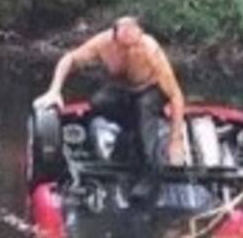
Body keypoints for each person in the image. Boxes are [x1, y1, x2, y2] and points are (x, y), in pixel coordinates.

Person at [33, 16, 187, 167]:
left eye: (135, 45)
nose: (131, 50)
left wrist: (176, 140)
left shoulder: (150, 49)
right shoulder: (103, 43)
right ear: (114, 39)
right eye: (125, 47)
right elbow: (70, 59)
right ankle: (131, 129)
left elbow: (176, 95)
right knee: (99, 102)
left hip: (151, 89)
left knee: (145, 108)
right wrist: (55, 90)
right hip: (124, 90)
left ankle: (150, 170)